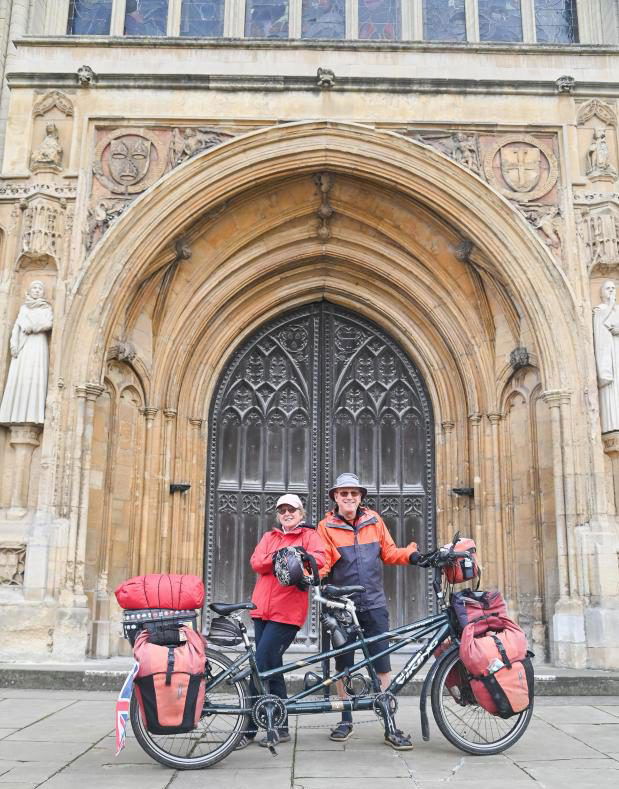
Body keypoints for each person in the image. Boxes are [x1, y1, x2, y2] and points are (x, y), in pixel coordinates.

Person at [317, 472, 422, 750]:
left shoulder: (374, 520)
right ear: (335, 497)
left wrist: (412, 554)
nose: (349, 497)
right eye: (343, 493)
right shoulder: (326, 526)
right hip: (341, 605)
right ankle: (345, 719)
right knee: (343, 664)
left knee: (382, 664)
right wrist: (312, 574)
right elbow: (324, 561)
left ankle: (389, 722)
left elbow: (388, 553)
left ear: (361, 496)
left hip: (373, 602)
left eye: (353, 493)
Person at [237, 493, 325, 748]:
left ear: (301, 513)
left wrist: (298, 556)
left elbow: (320, 559)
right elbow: (256, 562)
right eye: (283, 510)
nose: (287, 514)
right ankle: (281, 727)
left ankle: (249, 728)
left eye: (292, 510)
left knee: (260, 663)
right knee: (271, 665)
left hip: (287, 613)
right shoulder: (270, 537)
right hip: (262, 609)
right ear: (278, 514)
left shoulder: (309, 536)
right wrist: (279, 556)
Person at [0, 281, 53, 425]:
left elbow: (49, 323)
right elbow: (16, 327)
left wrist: (34, 327)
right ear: (29, 291)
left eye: (40, 289)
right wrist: (14, 345)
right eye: (34, 288)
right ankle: (15, 413)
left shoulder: (45, 308)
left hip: (37, 344)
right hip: (24, 345)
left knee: (34, 375)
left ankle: (32, 415)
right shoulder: (24, 308)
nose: (37, 291)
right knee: (21, 376)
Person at [593, 279, 619, 433]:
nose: (611, 291)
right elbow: (600, 323)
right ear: (601, 292)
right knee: (611, 389)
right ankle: (613, 427)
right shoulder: (600, 309)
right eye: (608, 288)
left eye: (613, 288)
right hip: (609, 356)